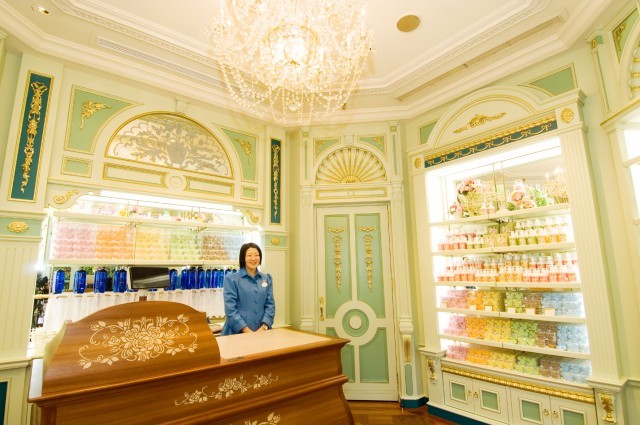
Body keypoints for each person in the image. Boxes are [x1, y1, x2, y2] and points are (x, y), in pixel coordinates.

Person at [220, 242, 275, 335]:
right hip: (236, 332)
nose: (253, 258)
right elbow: (230, 310)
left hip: (262, 332)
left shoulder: (266, 278)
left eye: (256, 255)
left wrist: (263, 327)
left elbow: (270, 306)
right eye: (249, 255)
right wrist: (247, 331)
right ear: (243, 258)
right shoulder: (231, 279)